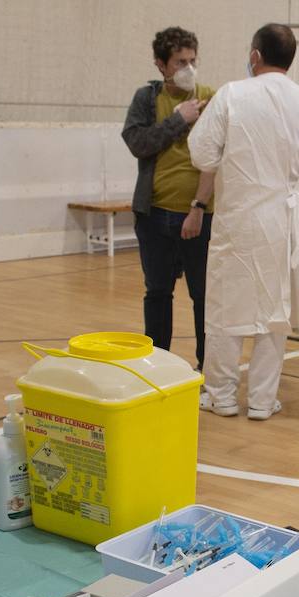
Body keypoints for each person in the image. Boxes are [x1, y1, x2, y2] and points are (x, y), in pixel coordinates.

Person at [189, 23, 299, 420]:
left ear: (255, 55)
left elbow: (202, 154)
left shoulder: (233, 94)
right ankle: (261, 400)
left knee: (223, 309)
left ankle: (219, 395)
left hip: (238, 218)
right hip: (284, 223)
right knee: (274, 313)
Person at [122, 27, 216, 371]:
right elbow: (138, 143)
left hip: (198, 216)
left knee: (203, 297)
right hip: (153, 214)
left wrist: (198, 208)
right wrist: (179, 120)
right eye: (180, 62)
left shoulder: (211, 97)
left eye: (192, 60)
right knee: (158, 293)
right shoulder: (146, 99)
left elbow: (216, 159)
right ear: (161, 65)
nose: (189, 68)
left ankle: (207, 369)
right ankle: (156, 364)